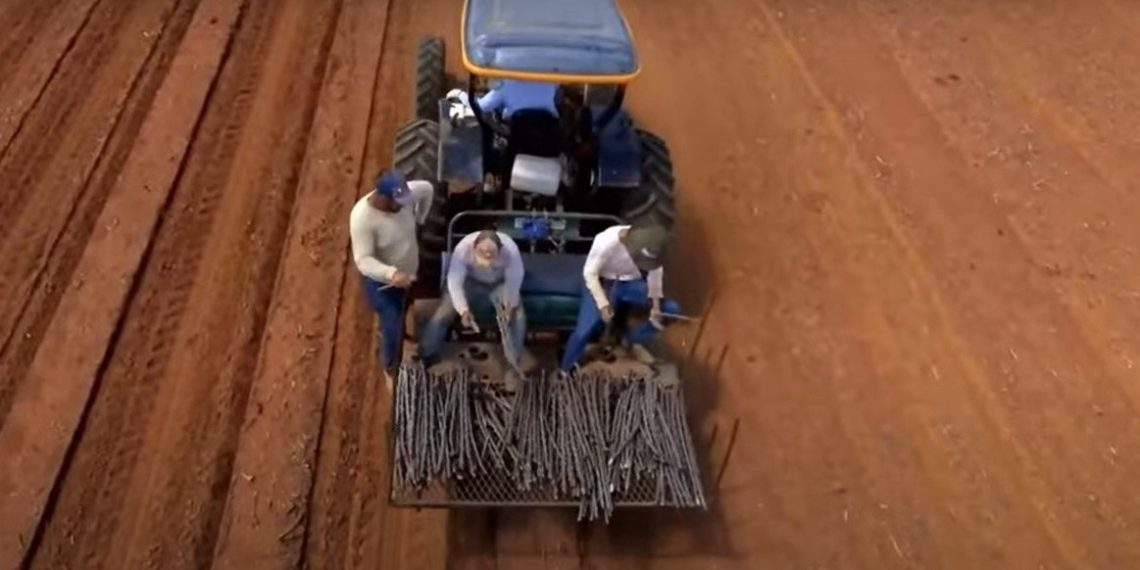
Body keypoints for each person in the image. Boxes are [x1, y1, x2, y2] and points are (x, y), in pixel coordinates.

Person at [560, 223, 681, 372]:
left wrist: (655, 306)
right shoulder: (605, 241)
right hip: (601, 283)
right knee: (584, 330)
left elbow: (655, 275)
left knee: (670, 309)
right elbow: (590, 274)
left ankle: (633, 338)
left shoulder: (651, 244)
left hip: (628, 285)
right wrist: (603, 304)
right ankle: (566, 369)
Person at [349, 169, 435, 380]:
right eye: (398, 202)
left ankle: (405, 334)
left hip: (408, 275)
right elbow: (363, 260)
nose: (404, 205)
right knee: (392, 324)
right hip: (382, 284)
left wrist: (421, 220)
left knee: (406, 307)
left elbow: (427, 189)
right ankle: (391, 367)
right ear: (382, 197)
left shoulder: (404, 198)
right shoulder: (362, 219)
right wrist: (391, 273)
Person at [418, 230, 527, 373]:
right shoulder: (463, 249)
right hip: (470, 282)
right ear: (474, 248)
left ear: (500, 250)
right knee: (443, 312)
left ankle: (512, 364)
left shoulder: (510, 250)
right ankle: (427, 355)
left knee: (518, 317)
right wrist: (463, 310)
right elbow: (454, 283)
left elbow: (515, 279)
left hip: (500, 283)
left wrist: (510, 305)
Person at [476, 79, 560, 119]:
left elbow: (481, 107)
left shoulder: (506, 84)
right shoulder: (550, 81)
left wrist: (463, 94)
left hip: (516, 135)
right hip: (549, 133)